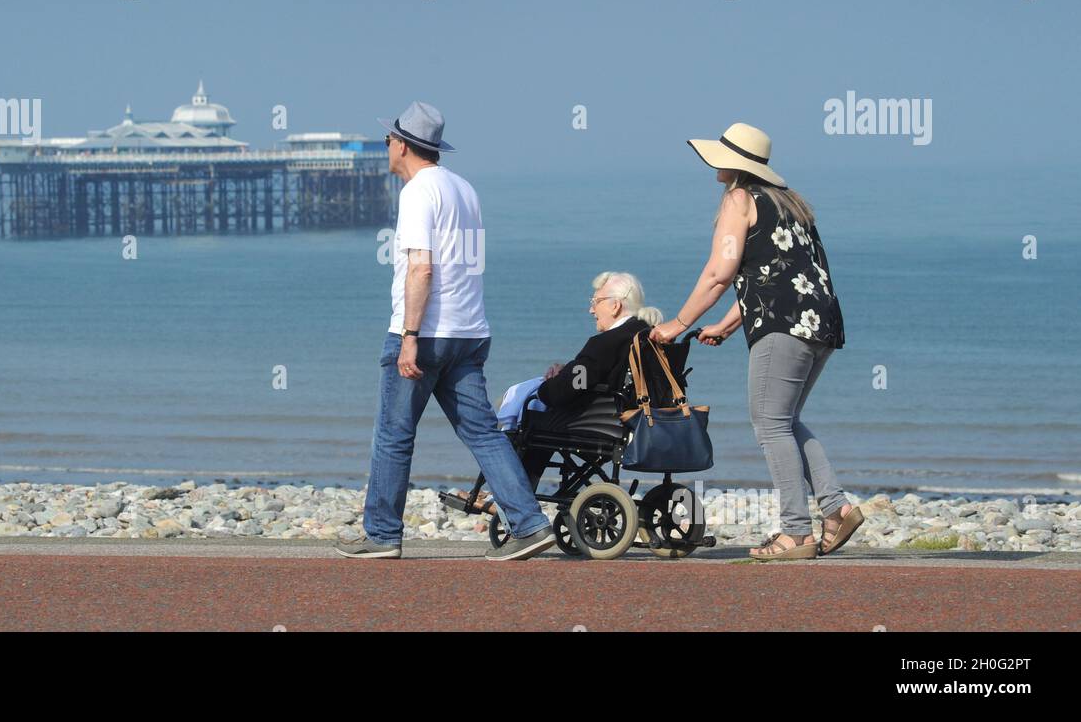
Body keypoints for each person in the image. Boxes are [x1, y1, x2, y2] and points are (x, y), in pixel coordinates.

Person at [335, 101, 556, 561]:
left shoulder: (417, 193)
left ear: (402, 146)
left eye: (388, 140)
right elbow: (469, 264)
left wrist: (410, 336)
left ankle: (381, 535)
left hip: (425, 332)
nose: (386, 147)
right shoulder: (464, 189)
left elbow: (421, 268)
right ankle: (529, 524)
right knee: (483, 433)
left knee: (394, 435)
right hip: (469, 331)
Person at [649, 122, 862, 561]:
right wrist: (727, 325)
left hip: (783, 324)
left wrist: (678, 322)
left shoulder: (739, 199)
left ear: (732, 164)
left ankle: (796, 532)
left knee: (769, 423)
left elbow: (719, 273)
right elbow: (775, 273)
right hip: (819, 320)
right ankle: (836, 508)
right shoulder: (791, 203)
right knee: (786, 419)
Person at [457, 271, 663, 510]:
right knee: (542, 420)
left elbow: (562, 391)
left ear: (615, 305)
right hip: (640, 423)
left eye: (594, 302)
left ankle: (510, 500)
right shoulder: (647, 334)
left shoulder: (606, 343)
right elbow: (591, 374)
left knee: (532, 420)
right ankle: (507, 496)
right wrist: (569, 371)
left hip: (603, 426)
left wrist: (548, 385)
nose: (591, 310)